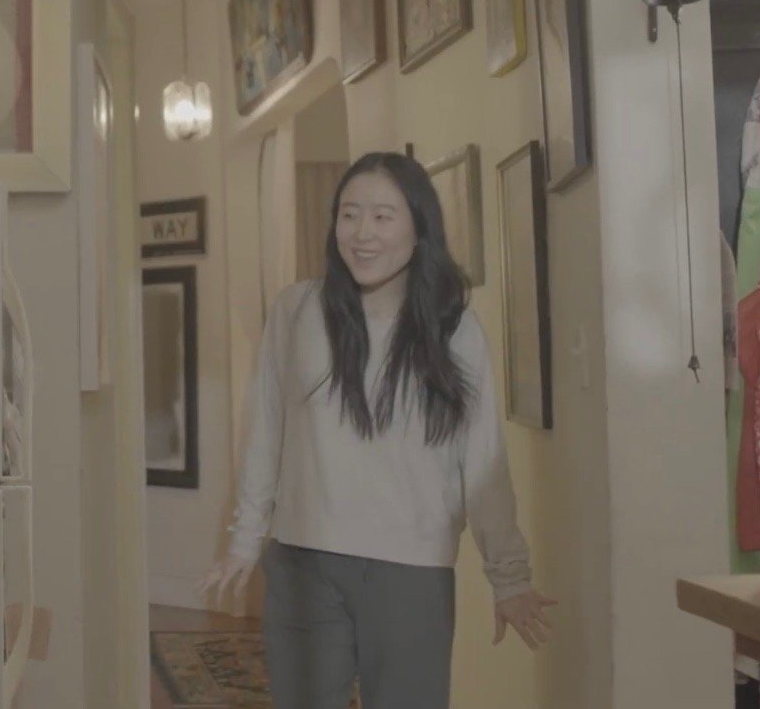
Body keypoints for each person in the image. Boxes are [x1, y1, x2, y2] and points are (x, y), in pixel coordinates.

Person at [199, 152, 555, 709]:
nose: (362, 234)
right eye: (349, 214)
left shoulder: (454, 328)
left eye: (383, 217)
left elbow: (482, 461)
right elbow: (266, 434)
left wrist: (508, 577)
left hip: (410, 572)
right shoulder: (298, 311)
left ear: (419, 228)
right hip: (303, 562)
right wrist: (245, 540)